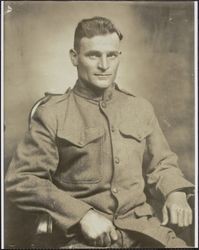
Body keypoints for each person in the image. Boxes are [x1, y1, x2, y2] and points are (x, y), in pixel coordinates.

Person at [5, 16, 194, 248]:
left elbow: (162, 163)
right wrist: (82, 215)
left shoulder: (140, 108)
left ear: (119, 57)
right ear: (74, 58)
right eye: (93, 55)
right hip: (82, 239)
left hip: (145, 230)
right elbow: (23, 180)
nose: (104, 65)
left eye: (111, 55)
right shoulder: (51, 113)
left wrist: (175, 192)